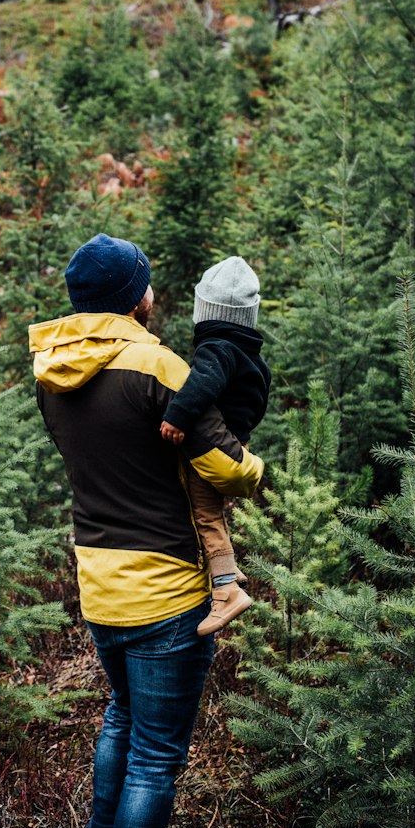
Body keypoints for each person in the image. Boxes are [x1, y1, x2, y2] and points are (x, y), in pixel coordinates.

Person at [28, 233, 264, 828]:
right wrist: (255, 468)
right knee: (156, 758)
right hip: (165, 586)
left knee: (122, 721)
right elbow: (224, 466)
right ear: (139, 297)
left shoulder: (50, 371)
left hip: (98, 579)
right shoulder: (160, 365)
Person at [159, 256, 271, 636]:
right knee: (214, 511)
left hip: (214, 443)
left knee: (204, 512)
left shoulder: (216, 349)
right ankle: (228, 564)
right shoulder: (250, 354)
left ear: (205, 311)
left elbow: (202, 382)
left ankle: (226, 589)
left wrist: (178, 415)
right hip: (235, 439)